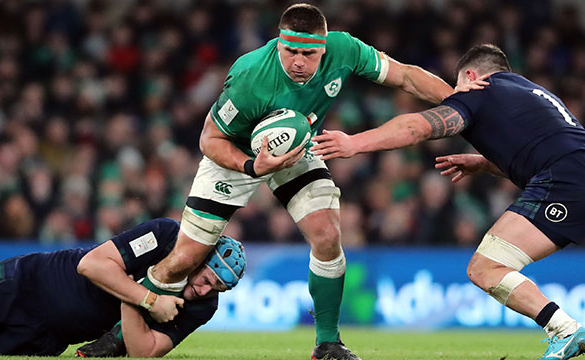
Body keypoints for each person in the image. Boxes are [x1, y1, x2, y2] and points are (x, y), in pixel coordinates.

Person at [132, 3, 465, 360]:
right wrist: (250, 165)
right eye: (290, 51)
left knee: (327, 234)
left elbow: (406, 76)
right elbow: (209, 140)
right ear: (278, 43)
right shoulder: (249, 75)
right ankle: (120, 335)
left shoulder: (345, 49)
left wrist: (463, 102)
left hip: (297, 147)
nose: (299, 62)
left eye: (309, 53)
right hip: (237, 155)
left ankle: (327, 343)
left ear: (324, 46)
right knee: (184, 259)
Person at [311, 43, 585, 360]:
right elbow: (544, 151)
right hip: (576, 173)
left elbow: (416, 127)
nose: (456, 95)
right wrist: (484, 164)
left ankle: (564, 330)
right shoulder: (529, 92)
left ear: (470, 75)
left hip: (566, 180)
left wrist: (353, 143)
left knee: (487, 267)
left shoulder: (478, 91)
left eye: (457, 87)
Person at [0, 218, 246, 357]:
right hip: (28, 284)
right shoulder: (167, 235)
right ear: (199, 257)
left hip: (50, 339)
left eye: (218, 288)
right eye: (207, 279)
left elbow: (144, 352)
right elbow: (90, 265)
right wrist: (150, 299)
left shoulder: (204, 306)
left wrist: (139, 299)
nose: (206, 291)